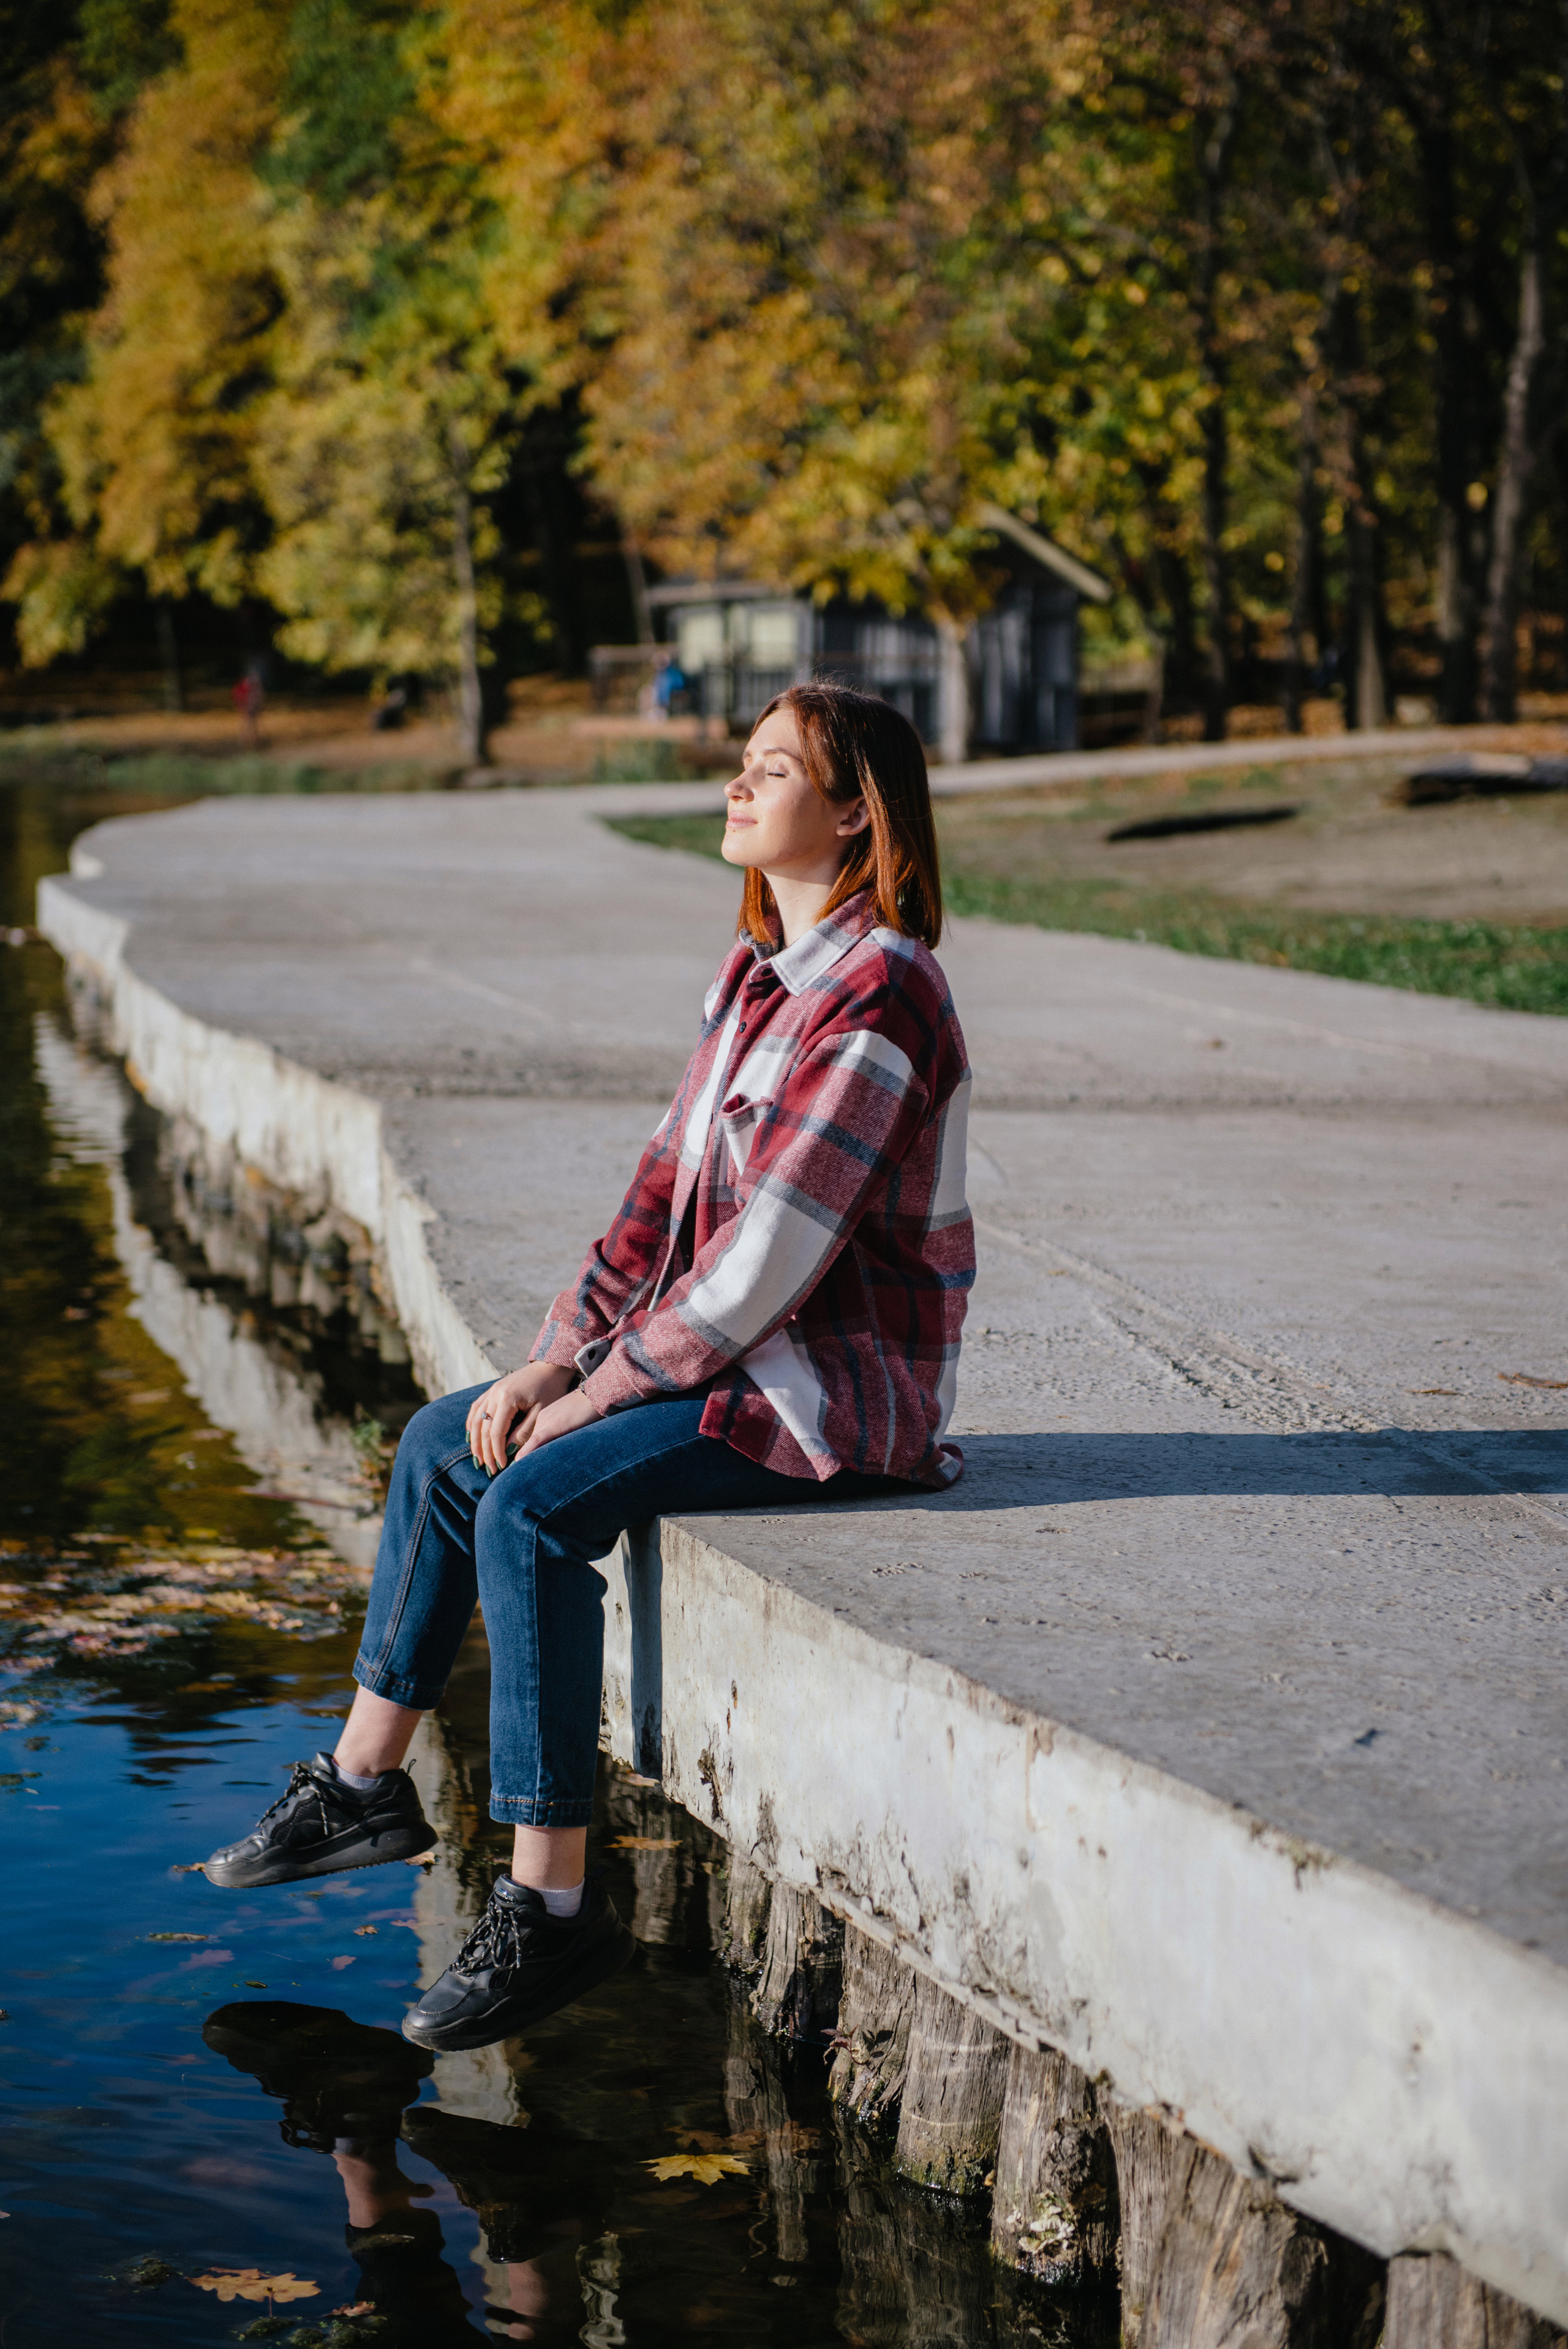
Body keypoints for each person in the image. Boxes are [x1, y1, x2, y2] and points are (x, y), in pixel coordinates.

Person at [202, 681, 974, 2053]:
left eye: (773, 770)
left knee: (532, 1501)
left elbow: (765, 1270)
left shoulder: (886, 994)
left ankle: (549, 1907)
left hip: (831, 1394)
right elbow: (652, 1209)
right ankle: (364, 1783)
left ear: (856, 812)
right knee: (449, 1440)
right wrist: (549, 1357)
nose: (736, 789)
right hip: (728, 1363)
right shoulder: (752, 982)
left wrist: (595, 1392)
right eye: (741, 765)